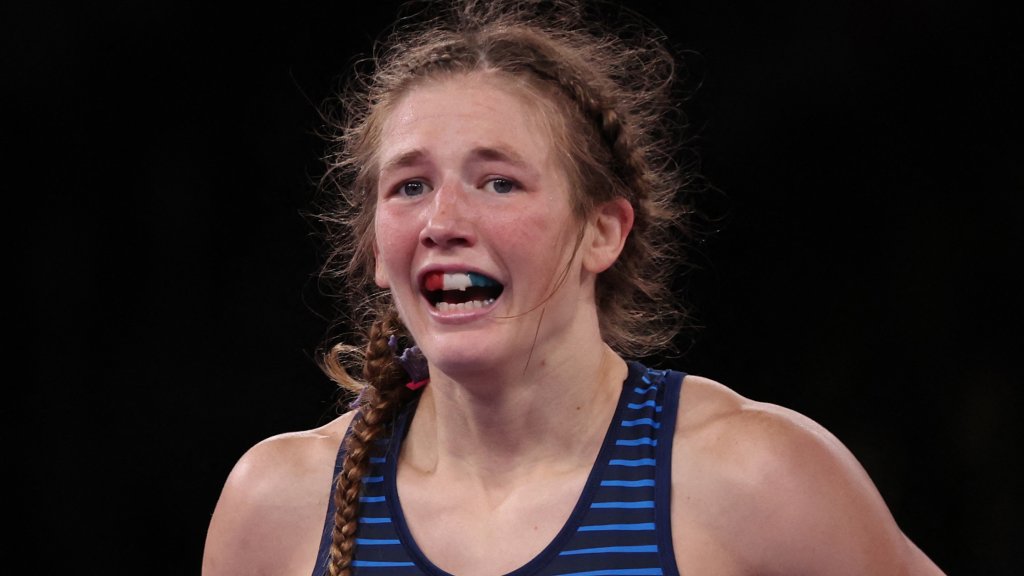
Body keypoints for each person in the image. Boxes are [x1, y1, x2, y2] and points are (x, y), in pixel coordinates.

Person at [202, 0, 946, 574]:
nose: (443, 219)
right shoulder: (281, 503)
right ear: (373, 247)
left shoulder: (749, 476)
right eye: (409, 186)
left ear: (603, 232)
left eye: (499, 181)